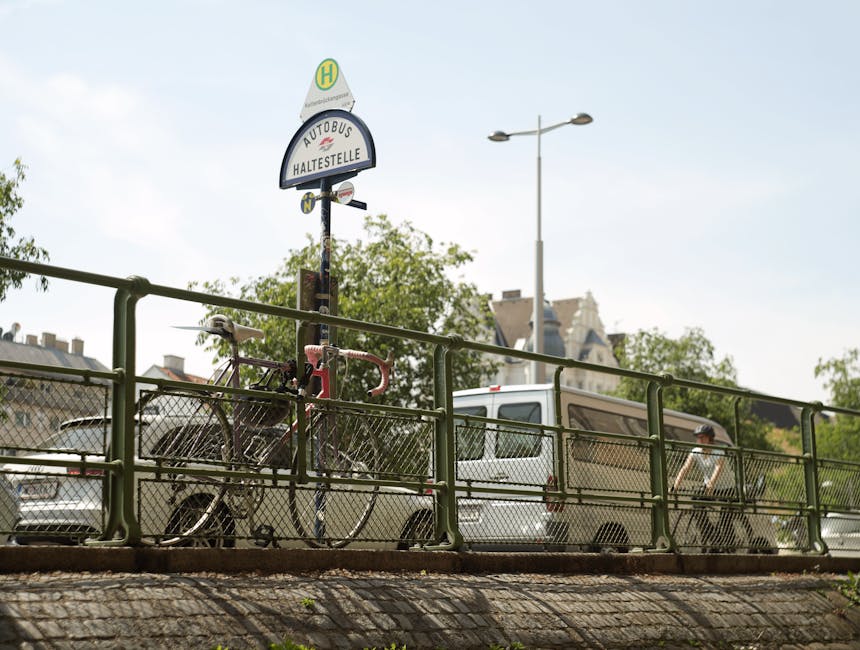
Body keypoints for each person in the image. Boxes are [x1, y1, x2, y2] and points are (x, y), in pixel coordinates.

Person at [671, 423, 737, 552]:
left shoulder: (719, 452)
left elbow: (718, 468)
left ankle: (730, 545)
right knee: (697, 504)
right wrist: (675, 486)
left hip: (726, 488)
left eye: (703, 437)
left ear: (710, 438)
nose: (699, 440)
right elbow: (685, 468)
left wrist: (711, 483)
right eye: (698, 437)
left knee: (725, 517)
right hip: (709, 487)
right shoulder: (696, 451)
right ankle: (712, 537)